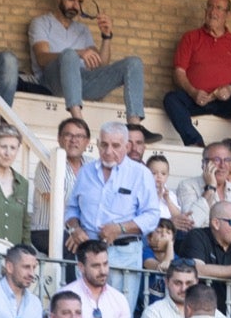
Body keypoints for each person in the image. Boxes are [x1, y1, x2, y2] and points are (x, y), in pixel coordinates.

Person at [28, 0, 158, 140]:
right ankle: (78, 120)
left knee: (133, 63)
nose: (75, 6)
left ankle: (134, 126)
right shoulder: (41, 23)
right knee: (69, 55)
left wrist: (106, 36)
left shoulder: (82, 30)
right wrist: (77, 53)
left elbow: (101, 64)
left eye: (80, 1)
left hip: (82, 82)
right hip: (53, 80)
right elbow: (42, 58)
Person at [63, 121, 162, 306]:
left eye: (115, 145)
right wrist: (75, 228)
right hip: (89, 251)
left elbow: (151, 217)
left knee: (119, 314)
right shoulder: (86, 172)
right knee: (84, 311)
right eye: (104, 144)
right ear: (98, 144)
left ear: (126, 146)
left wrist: (120, 228)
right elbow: (71, 209)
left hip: (124, 254)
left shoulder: (141, 174)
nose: (108, 151)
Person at [161, 0, 231, 146]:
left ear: (228, 15)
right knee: (171, 99)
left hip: (227, 101)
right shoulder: (190, 38)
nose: (212, 11)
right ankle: (195, 143)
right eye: (210, 6)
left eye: (219, 8)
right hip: (197, 99)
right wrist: (193, 92)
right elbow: (179, 73)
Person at [33, 117, 90, 254]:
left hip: (81, 229)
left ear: (87, 142)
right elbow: (58, 203)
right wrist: (75, 229)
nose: (73, 140)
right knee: (71, 248)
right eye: (68, 135)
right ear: (59, 138)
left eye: (79, 136)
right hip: (46, 230)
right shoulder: (47, 163)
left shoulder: (92, 166)